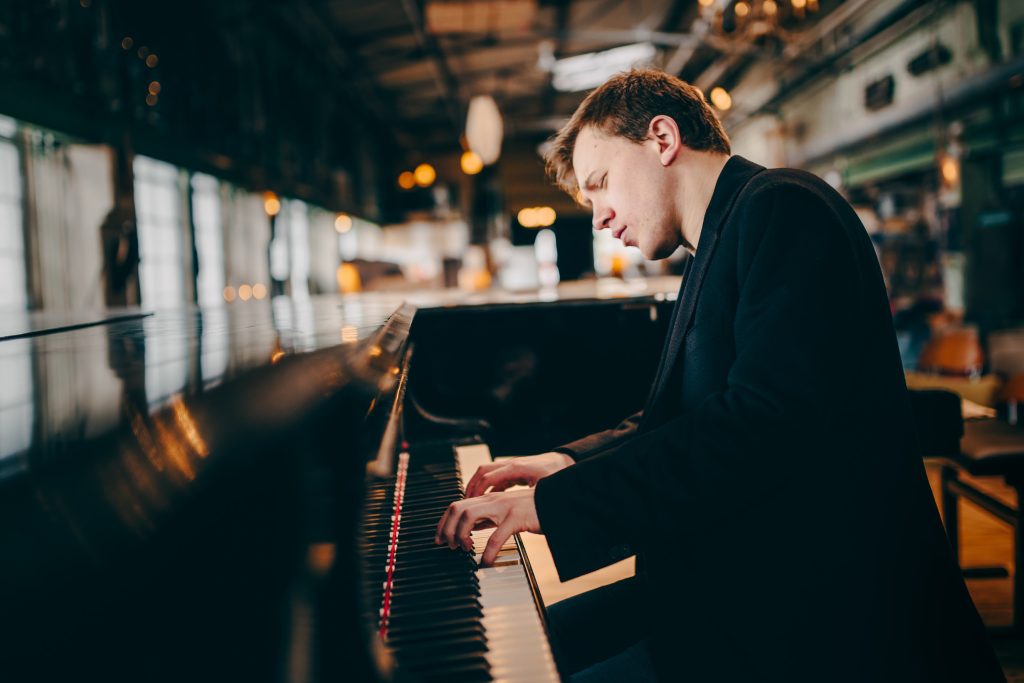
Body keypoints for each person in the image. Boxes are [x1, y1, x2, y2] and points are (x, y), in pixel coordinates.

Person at [435, 69, 1003, 682]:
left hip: (812, 614)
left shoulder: (784, 208)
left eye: (599, 184)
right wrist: (567, 464)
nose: (598, 218)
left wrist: (559, 505)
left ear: (661, 138)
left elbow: (758, 425)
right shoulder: (723, 235)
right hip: (739, 581)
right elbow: (693, 413)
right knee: (530, 648)